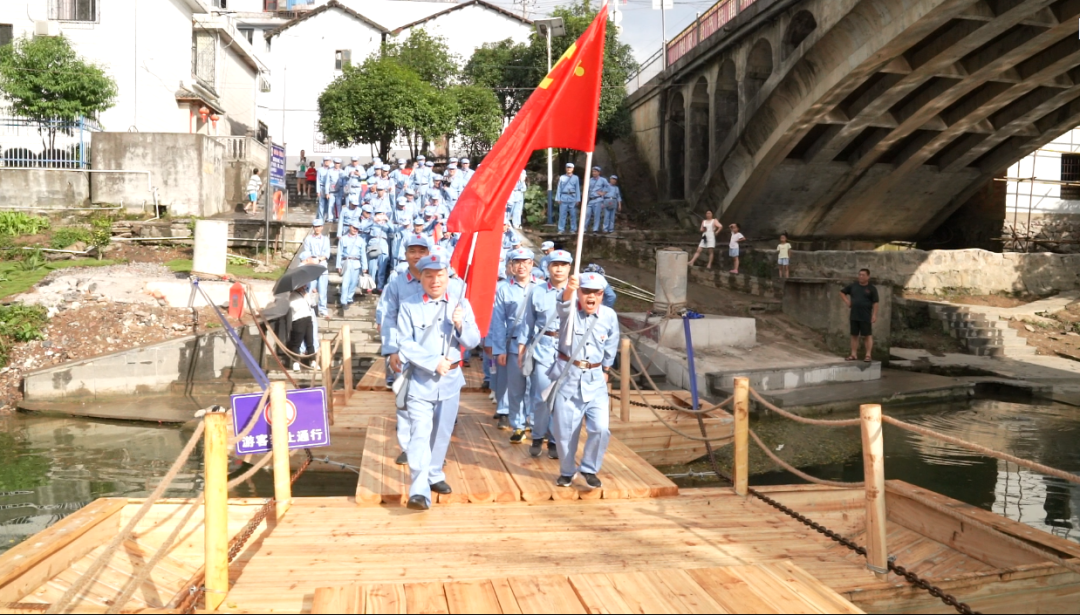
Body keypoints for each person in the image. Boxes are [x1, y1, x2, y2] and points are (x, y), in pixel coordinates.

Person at [396, 251, 481, 511]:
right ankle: (419, 491)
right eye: (429, 276)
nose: (435, 281)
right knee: (420, 434)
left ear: (448, 277)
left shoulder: (460, 304)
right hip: (421, 381)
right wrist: (433, 361)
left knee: (442, 433)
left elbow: (474, 340)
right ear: (420, 278)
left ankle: (434, 474)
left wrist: (460, 326)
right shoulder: (409, 306)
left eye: (440, 275)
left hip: (452, 381)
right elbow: (405, 343)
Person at [550, 271, 620, 489]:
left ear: (602, 294)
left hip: (595, 379)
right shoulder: (569, 310)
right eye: (586, 292)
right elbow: (562, 305)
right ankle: (567, 471)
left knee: (600, 428)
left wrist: (607, 368)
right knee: (565, 433)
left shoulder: (608, 315)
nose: (591, 297)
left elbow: (612, 341)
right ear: (580, 293)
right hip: (568, 378)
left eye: (596, 293)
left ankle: (589, 469)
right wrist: (569, 289)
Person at [380, 234, 433, 463]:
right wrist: (391, 350)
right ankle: (408, 447)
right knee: (405, 398)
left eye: (422, 251)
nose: (417, 255)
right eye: (413, 251)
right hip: (404, 350)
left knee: (435, 401)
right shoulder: (397, 284)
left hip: (432, 349)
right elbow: (388, 318)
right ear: (405, 255)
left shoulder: (438, 279)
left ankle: (432, 450)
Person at [517, 249, 573, 459]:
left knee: (561, 399)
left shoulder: (577, 292)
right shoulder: (537, 291)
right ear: (548, 267)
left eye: (563, 264)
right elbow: (528, 322)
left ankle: (554, 440)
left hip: (567, 350)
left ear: (569, 267)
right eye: (554, 264)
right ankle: (538, 435)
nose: (559, 268)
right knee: (541, 397)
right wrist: (522, 348)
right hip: (543, 348)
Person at [490, 248, 536, 444]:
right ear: (511, 265)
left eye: (525, 261)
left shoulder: (542, 287)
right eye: (517, 262)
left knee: (536, 387)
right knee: (515, 387)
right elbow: (498, 322)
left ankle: (534, 421)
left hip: (538, 344)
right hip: (514, 342)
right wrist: (499, 349)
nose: (521, 266)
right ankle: (517, 424)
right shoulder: (503, 289)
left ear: (532, 264)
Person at [840, 268, 879, 362]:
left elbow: (875, 303)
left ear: (868, 277)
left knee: (867, 335)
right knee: (854, 335)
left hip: (865, 315)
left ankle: (868, 355)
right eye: (859, 275)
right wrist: (847, 302)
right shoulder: (853, 286)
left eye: (863, 275)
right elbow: (842, 292)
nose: (861, 277)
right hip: (854, 314)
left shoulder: (872, 289)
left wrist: (874, 315)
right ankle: (853, 354)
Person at [298, 219, 331, 317]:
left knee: (323, 289)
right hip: (312, 265)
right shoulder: (308, 239)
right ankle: (308, 307)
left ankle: (323, 309)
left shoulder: (325, 239)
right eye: (316, 227)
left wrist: (320, 259)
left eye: (319, 226)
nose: (317, 228)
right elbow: (307, 252)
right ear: (313, 228)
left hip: (322, 265)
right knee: (310, 288)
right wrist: (313, 259)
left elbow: (326, 253)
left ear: (322, 227)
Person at [336, 222, 367, 311]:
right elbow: (339, 253)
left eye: (357, 228)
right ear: (350, 227)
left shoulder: (361, 240)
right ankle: (344, 301)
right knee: (346, 283)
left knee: (354, 282)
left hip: (356, 262)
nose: (355, 230)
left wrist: (365, 266)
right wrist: (338, 265)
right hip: (347, 261)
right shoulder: (343, 239)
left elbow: (363, 254)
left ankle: (349, 298)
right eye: (354, 227)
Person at [286, 283, 317, 371]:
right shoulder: (292, 295)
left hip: (308, 318)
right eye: (302, 286)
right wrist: (303, 298)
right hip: (298, 320)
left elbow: (312, 304)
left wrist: (311, 296)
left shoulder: (305, 294)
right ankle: (296, 362)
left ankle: (313, 361)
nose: (304, 287)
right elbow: (295, 307)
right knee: (297, 342)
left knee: (310, 341)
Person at [555, 163, 580, 234]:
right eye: (567, 167)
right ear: (566, 168)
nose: (569, 169)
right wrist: (558, 198)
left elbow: (577, 188)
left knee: (573, 214)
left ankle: (573, 229)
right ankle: (561, 229)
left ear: (573, 169)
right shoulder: (562, 177)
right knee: (562, 214)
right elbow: (559, 188)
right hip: (563, 197)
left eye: (570, 168)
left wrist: (578, 199)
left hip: (572, 198)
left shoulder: (576, 178)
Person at [585, 166, 609, 234]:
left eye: (595, 171)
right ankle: (584, 228)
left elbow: (608, 188)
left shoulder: (603, 180)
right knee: (587, 214)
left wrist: (603, 193)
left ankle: (595, 229)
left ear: (599, 172)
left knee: (596, 215)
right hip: (590, 199)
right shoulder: (590, 180)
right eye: (593, 171)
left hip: (598, 199)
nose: (594, 173)